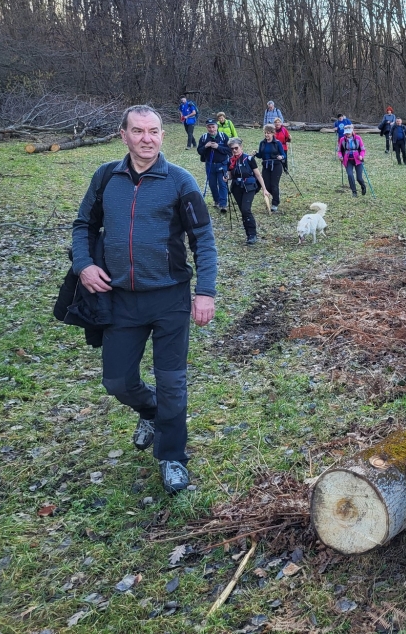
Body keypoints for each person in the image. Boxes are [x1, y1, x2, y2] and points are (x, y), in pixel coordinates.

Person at [72, 105, 217, 496]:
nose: (146, 138)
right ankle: (151, 412)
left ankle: (172, 457)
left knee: (172, 383)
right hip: (120, 299)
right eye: (138, 131)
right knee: (117, 381)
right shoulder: (106, 177)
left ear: (163, 136)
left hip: (170, 299)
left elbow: (203, 239)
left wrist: (205, 292)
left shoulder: (180, 181)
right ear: (123, 135)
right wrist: (84, 265)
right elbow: (84, 225)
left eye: (153, 131)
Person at [226, 137, 271, 244]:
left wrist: (264, 189)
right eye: (232, 149)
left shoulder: (249, 159)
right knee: (243, 211)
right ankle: (248, 234)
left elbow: (258, 175)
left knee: (246, 209)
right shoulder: (230, 160)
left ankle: (252, 234)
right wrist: (227, 177)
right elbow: (230, 175)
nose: (234, 150)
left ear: (241, 147)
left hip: (249, 187)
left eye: (236, 148)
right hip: (236, 188)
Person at [197, 118, 231, 213]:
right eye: (209, 127)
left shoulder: (223, 136)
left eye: (213, 127)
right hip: (210, 165)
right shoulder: (204, 137)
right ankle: (217, 201)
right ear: (206, 127)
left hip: (222, 164)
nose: (211, 129)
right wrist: (205, 146)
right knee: (212, 184)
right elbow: (199, 151)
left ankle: (223, 204)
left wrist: (218, 147)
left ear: (217, 126)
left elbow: (229, 150)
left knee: (222, 183)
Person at [256, 125, 286, 211]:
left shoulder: (277, 143)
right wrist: (255, 154)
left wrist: (281, 157)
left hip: (276, 165)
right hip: (266, 166)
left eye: (268, 133)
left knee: (274, 185)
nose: (266, 135)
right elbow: (260, 155)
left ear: (273, 133)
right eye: (265, 133)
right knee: (266, 185)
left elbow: (284, 154)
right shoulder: (262, 143)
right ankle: (276, 195)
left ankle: (275, 203)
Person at [337, 125, 367, 197]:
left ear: (352, 131)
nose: (348, 134)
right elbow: (339, 151)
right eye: (346, 133)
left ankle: (363, 186)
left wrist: (361, 156)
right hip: (347, 160)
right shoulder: (342, 139)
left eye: (349, 132)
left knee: (359, 178)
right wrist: (340, 156)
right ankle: (354, 192)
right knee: (350, 175)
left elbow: (363, 150)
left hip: (358, 160)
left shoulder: (358, 138)